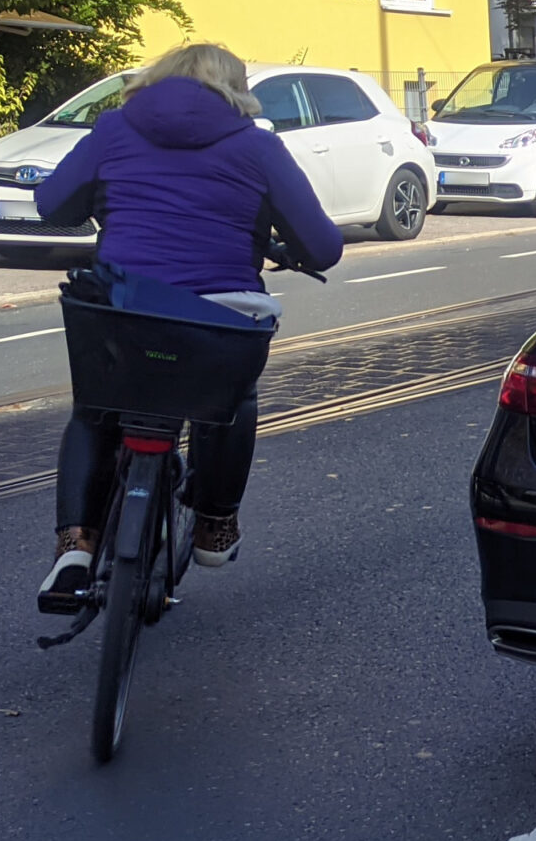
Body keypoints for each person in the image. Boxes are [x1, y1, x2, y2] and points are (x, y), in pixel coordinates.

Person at [35, 45, 344, 606]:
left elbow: (52, 205)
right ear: (235, 89)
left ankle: (74, 548)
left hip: (123, 311)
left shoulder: (113, 129)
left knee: (95, 409)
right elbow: (323, 247)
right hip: (219, 319)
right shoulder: (257, 146)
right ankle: (214, 524)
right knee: (229, 399)